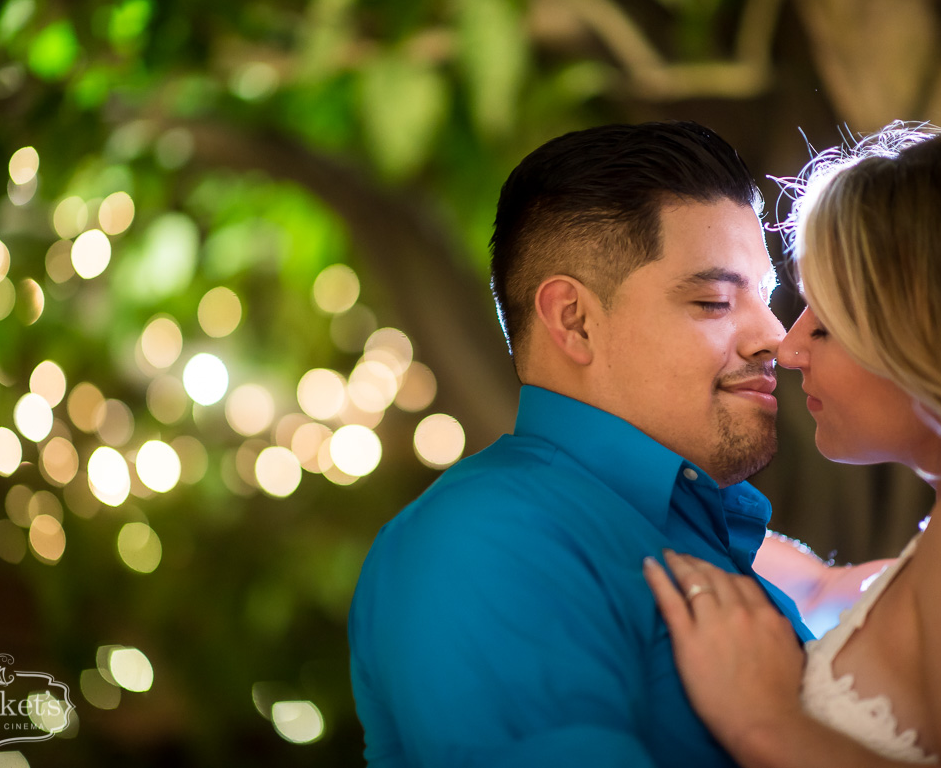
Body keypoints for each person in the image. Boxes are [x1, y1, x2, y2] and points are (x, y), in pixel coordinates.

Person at [348, 121, 879, 767]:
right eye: (715, 301)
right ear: (574, 321)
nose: (775, 337)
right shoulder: (487, 539)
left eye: (766, 299)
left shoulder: (699, 525)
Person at [645, 124, 941, 767]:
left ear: (936, 339)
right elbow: (826, 591)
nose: (790, 348)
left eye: (824, 323)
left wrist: (765, 722)